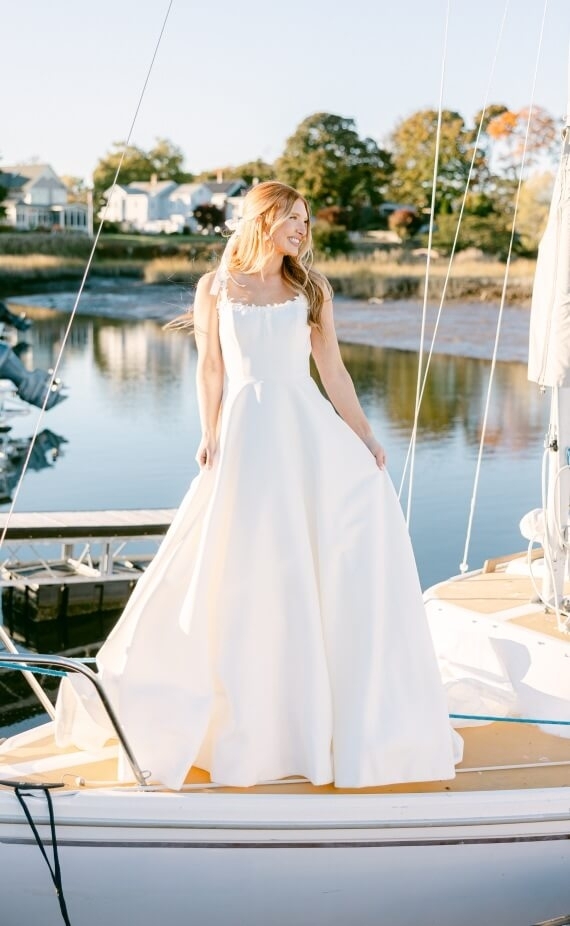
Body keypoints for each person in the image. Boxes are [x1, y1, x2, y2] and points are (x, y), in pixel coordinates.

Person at [55, 181, 462, 789]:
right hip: (245, 438)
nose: (303, 229)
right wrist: (208, 432)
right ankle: (231, 717)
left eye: (305, 220)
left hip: (307, 437)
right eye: (292, 218)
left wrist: (367, 438)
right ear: (264, 219)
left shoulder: (312, 290)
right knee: (236, 571)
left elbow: (335, 373)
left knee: (318, 565)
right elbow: (211, 367)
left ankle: (319, 720)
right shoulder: (217, 287)